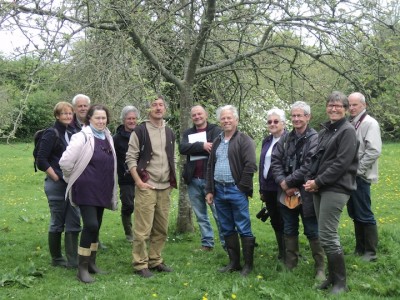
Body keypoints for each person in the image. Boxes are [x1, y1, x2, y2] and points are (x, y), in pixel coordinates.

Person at [304, 91, 359, 294]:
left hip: (336, 188)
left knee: (328, 235)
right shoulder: (327, 130)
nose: (334, 108)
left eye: (338, 106)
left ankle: (341, 284)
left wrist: (318, 181)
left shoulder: (347, 131)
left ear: (345, 109)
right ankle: (331, 277)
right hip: (321, 187)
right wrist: (313, 181)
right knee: (324, 233)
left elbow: (341, 164)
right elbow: (318, 159)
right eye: (330, 105)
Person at [60, 104, 118, 283]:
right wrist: (74, 178)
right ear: (89, 119)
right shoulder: (81, 137)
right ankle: (82, 269)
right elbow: (65, 162)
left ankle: (92, 263)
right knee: (91, 225)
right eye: (97, 118)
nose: (101, 121)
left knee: (97, 226)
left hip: (103, 188)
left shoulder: (107, 136)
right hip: (86, 188)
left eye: (103, 118)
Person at [271, 101, 325, 280]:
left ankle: (320, 268)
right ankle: (290, 263)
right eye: (293, 116)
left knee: (312, 229)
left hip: (307, 192)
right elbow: (275, 162)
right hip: (286, 192)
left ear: (308, 117)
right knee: (289, 227)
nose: (296, 119)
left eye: (300, 115)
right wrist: (283, 183)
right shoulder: (285, 138)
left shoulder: (315, 138)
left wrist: (288, 182)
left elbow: (310, 166)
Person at [126, 96, 177, 278]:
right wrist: (139, 182)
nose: (158, 108)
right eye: (154, 105)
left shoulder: (170, 132)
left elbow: (173, 158)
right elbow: (130, 158)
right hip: (146, 185)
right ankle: (140, 264)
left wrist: (171, 181)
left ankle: (155, 260)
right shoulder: (140, 131)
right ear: (148, 109)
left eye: (161, 105)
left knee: (161, 228)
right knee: (142, 229)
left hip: (165, 187)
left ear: (165, 108)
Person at [205, 105, 257, 277]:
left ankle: (248, 266)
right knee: (226, 227)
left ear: (236, 120)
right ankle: (234, 262)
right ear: (220, 122)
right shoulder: (218, 140)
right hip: (219, 190)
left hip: (236, 190)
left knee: (243, 226)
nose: (226, 121)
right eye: (223, 118)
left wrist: (241, 187)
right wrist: (210, 190)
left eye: (229, 118)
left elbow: (250, 166)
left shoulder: (244, 140)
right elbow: (210, 166)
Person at [37, 102, 81, 269]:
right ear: (57, 116)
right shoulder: (51, 133)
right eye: (64, 114)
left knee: (74, 219)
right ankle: (56, 258)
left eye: (70, 113)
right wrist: (56, 177)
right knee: (57, 221)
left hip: (73, 184)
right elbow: (41, 159)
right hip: (57, 185)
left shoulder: (74, 132)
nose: (68, 117)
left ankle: (73, 260)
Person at [179, 105, 225, 251]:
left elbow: (216, 148)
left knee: (219, 214)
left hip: (211, 180)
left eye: (200, 114)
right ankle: (207, 243)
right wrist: (202, 145)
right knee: (201, 215)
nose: (197, 117)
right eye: (194, 115)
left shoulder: (215, 130)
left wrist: (199, 147)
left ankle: (227, 243)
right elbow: (183, 148)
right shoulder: (188, 132)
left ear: (206, 114)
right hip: (193, 179)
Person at [347, 92, 382, 262]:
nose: (352, 108)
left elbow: (374, 150)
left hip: (360, 176)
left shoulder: (369, 123)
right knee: (354, 212)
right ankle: (360, 248)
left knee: (364, 212)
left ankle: (371, 252)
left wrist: (358, 170)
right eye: (350, 105)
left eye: (355, 105)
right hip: (349, 177)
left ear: (364, 105)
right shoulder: (351, 123)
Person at [258, 108, 286, 261]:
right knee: (275, 219)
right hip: (268, 187)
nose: (272, 124)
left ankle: (290, 252)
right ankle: (282, 251)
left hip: (282, 187)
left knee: (285, 219)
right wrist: (261, 187)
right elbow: (263, 163)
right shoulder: (267, 140)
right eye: (270, 122)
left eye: (276, 121)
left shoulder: (288, 139)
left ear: (283, 122)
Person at [113, 105, 140, 242]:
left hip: (142, 176)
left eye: (134, 118)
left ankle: (142, 231)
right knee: (128, 205)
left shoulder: (141, 134)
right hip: (126, 177)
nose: (132, 121)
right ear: (124, 120)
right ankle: (129, 232)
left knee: (143, 205)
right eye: (129, 118)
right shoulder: (116, 138)